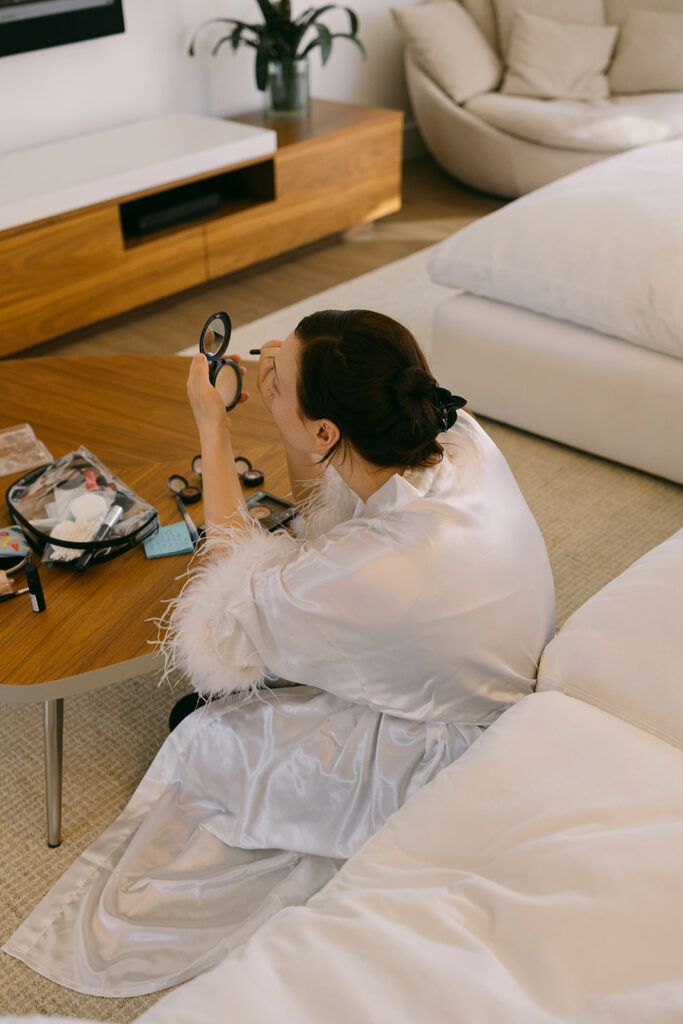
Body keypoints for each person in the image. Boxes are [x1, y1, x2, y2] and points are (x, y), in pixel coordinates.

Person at [3, 310, 555, 997]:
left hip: (436, 746)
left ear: (326, 431)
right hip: (473, 668)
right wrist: (285, 406)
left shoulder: (369, 568)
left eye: (280, 368)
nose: (262, 360)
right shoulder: (449, 432)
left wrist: (216, 424)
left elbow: (224, 614)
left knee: (196, 721)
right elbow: (325, 511)